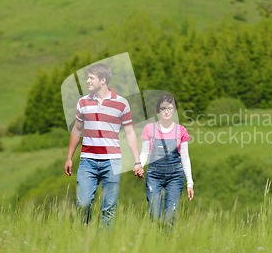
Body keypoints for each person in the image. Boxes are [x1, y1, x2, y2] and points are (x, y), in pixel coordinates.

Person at [64, 63, 143, 226]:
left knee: (109, 207)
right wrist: (69, 158)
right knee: (83, 204)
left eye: (91, 78)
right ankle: (85, 237)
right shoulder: (83, 102)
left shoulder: (121, 103)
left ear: (103, 80)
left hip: (112, 162)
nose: (87, 81)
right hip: (88, 161)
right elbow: (77, 130)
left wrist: (137, 161)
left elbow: (129, 132)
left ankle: (103, 243)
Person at [137, 93, 194, 226]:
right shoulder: (149, 129)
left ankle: (167, 242)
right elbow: (145, 152)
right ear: (158, 110)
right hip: (154, 176)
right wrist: (139, 165)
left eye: (170, 108)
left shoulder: (181, 131)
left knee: (170, 217)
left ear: (174, 110)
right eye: (163, 108)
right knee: (155, 215)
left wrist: (190, 183)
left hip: (175, 177)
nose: (166, 111)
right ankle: (156, 242)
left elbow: (185, 158)